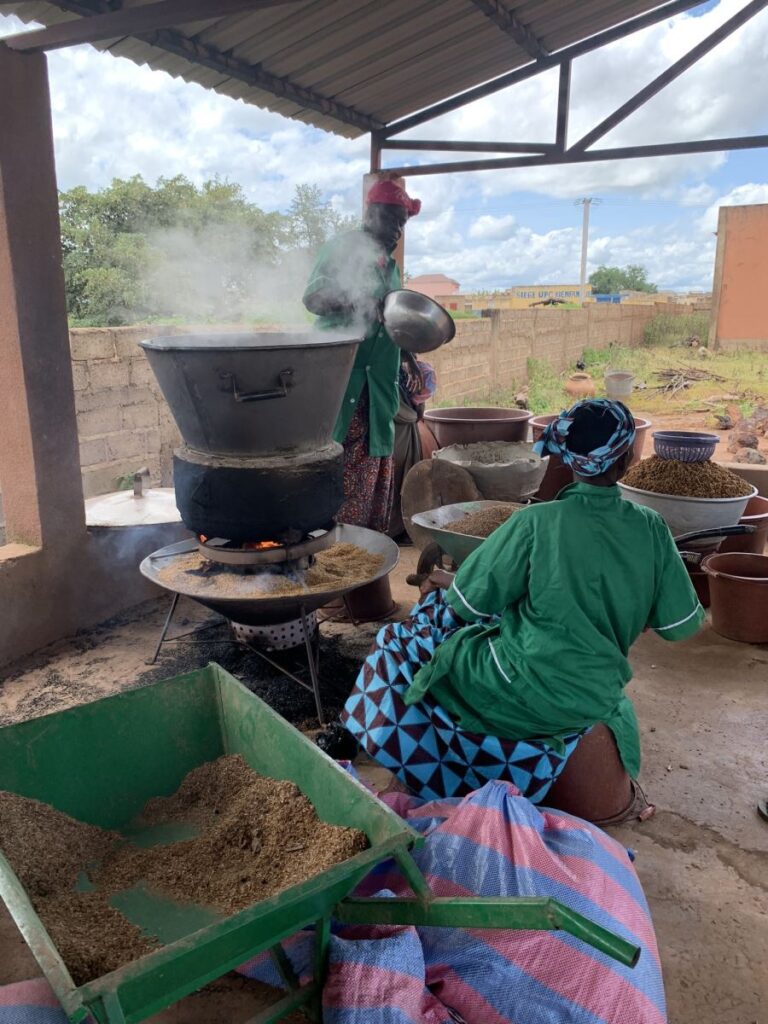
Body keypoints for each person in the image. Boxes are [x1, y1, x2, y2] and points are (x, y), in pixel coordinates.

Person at [341, 399, 706, 824]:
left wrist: (444, 592)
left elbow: (467, 604)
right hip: (592, 693)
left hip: (516, 689)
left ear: (567, 461)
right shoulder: (652, 528)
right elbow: (680, 627)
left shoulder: (534, 524)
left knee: (402, 646)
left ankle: (424, 775)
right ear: (628, 461)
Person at [303, 180, 421, 533]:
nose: (398, 231)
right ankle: (334, 561)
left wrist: (408, 358)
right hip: (343, 385)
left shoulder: (390, 266)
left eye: (403, 224)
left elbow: (391, 318)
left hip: (378, 391)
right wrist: (358, 301)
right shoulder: (342, 249)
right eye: (392, 220)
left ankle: (365, 560)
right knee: (335, 478)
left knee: (374, 479)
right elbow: (313, 298)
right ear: (371, 214)